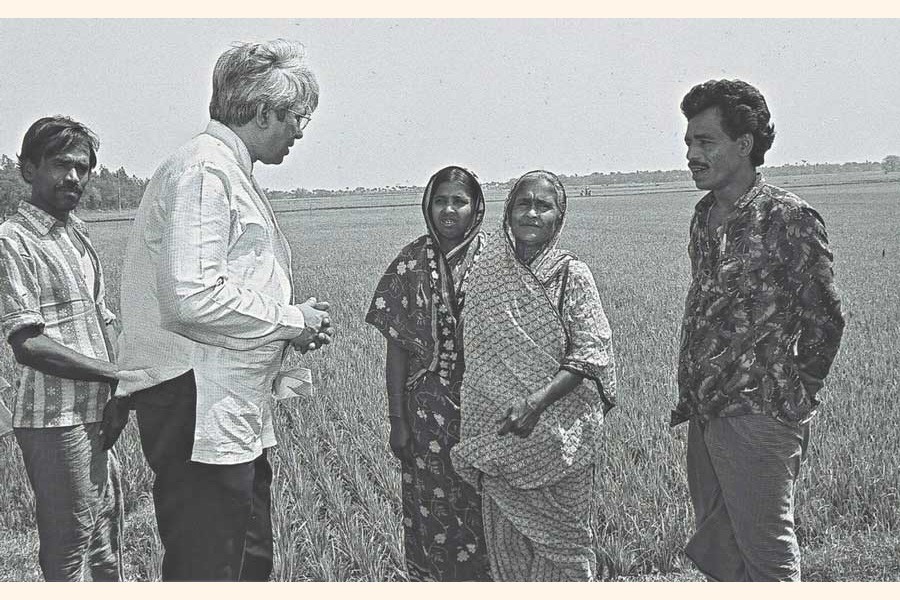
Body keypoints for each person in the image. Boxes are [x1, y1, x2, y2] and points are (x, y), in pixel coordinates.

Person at [116, 39, 334, 581]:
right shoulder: (205, 172)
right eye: (297, 117)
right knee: (210, 566)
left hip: (223, 403)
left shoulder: (223, 169)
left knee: (243, 559)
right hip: (196, 400)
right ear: (263, 112)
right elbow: (191, 297)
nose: (300, 132)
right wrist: (291, 320)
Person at [674, 79, 845, 581]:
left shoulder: (788, 218)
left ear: (743, 144)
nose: (692, 154)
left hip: (761, 414)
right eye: (688, 142)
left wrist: (791, 396)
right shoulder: (703, 216)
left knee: (767, 557)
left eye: (704, 141)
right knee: (721, 551)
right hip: (706, 411)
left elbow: (826, 318)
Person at [451, 170, 617, 581]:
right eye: (523, 203)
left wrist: (536, 401)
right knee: (507, 551)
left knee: (564, 553)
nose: (531, 213)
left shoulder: (571, 275)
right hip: (501, 435)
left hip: (560, 438)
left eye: (543, 206)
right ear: (507, 213)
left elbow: (591, 352)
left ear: (559, 218)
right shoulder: (487, 272)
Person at [0, 116, 127, 580]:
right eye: (59, 164)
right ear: (28, 169)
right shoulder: (12, 241)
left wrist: (119, 392)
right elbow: (27, 343)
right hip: (54, 419)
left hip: (97, 410)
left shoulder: (76, 232)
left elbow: (101, 315)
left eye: (83, 167)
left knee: (107, 547)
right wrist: (117, 376)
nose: (73, 177)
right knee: (69, 551)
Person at [365, 166, 491, 581]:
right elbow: (396, 354)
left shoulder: (499, 262)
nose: (449, 210)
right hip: (426, 419)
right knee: (432, 517)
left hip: (488, 415)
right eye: (441, 200)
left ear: (477, 207)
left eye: (459, 200)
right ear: (427, 206)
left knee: (490, 517)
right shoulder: (410, 263)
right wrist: (397, 421)